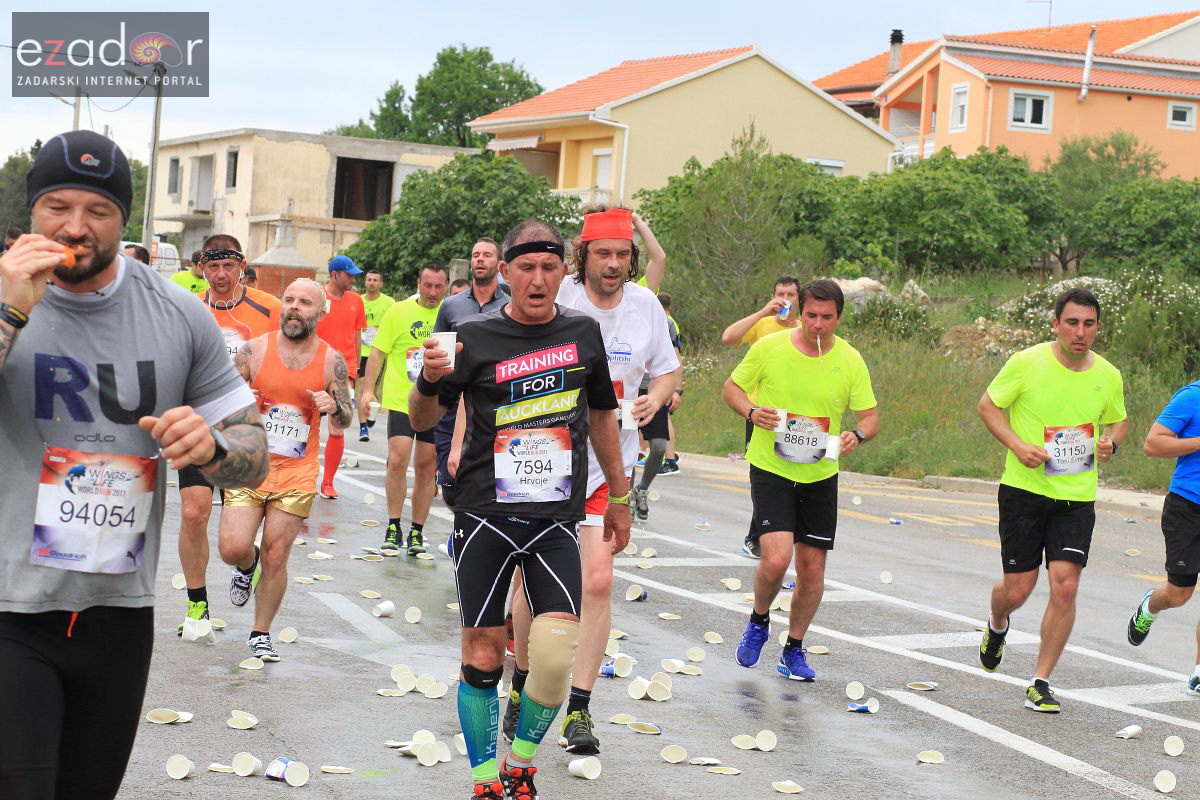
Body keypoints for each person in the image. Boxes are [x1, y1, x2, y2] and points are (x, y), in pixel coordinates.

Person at [0, 130, 268, 799]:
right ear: (31, 212)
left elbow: (254, 455)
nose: (75, 227)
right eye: (57, 207)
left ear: (124, 218)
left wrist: (210, 450)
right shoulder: (4, 296)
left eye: (97, 211)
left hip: (119, 613)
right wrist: (10, 312)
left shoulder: (178, 314)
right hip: (10, 610)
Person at [408, 219, 630, 800]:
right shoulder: (472, 338)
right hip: (485, 513)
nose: (537, 279)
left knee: (555, 654)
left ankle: (522, 763)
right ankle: (485, 779)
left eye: (549, 267)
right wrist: (429, 381)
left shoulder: (584, 333)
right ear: (505, 273)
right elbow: (423, 420)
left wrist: (621, 494)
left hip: (556, 516)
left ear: (564, 273)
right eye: (525, 268)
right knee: (482, 653)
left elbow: (603, 417)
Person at [505, 206, 678, 754]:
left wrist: (659, 393)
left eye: (623, 255)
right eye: (603, 253)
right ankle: (522, 685)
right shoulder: (561, 298)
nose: (614, 264)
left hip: (609, 464)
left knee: (597, 582)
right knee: (533, 583)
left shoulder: (646, 305)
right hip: (546, 461)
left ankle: (578, 708)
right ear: (583, 256)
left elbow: (669, 366)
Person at [977, 287, 1127, 713]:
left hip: (1076, 496)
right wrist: (1018, 446)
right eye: (1072, 322)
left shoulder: (1108, 375)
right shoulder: (1026, 363)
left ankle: (1040, 680)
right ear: (1056, 324)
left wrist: (1110, 444)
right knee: (1018, 589)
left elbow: (1119, 422)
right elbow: (988, 406)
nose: (1080, 332)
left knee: (1066, 584)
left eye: (1089, 324)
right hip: (1024, 491)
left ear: (1098, 328)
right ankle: (997, 622)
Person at [723, 279, 878, 683]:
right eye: (811, 315)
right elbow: (732, 389)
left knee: (812, 570)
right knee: (776, 559)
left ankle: (793, 648)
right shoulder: (770, 348)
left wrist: (856, 435)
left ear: (838, 318)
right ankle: (758, 620)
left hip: (820, 474)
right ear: (799, 313)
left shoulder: (850, 359)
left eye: (827, 318)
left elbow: (870, 418)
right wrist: (752, 412)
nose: (818, 325)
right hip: (773, 467)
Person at [219, 278, 353, 661]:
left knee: (277, 555)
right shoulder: (253, 351)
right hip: (250, 465)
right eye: (289, 300)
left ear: (320, 313)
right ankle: (246, 565)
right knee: (232, 548)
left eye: (305, 303)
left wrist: (334, 407)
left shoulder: (332, 361)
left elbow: (343, 422)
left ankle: (260, 632)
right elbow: (220, 403)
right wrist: (243, 400)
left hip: (297, 472)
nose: (294, 307)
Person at [172, 235, 281, 637]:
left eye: (228, 267)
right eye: (212, 267)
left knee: (235, 540)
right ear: (202, 267)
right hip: (197, 426)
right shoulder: (186, 307)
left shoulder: (268, 308)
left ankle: (247, 563)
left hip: (245, 431)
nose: (220, 275)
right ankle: (197, 605)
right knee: (193, 512)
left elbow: (287, 354)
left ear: (241, 265)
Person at [358, 263, 447, 556]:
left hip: (436, 402)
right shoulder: (398, 312)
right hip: (401, 399)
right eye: (427, 285)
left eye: (438, 286)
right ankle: (393, 525)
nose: (433, 292)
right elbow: (378, 352)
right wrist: (368, 389)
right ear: (418, 284)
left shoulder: (450, 313)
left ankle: (417, 532)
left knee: (426, 466)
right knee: (397, 460)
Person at [1127, 379, 1200, 694]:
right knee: (1179, 593)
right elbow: (1153, 444)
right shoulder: (1192, 397)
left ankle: (1198, 671)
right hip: (1187, 506)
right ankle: (1150, 605)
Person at [722, 276, 802, 559]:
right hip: (760, 412)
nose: (785, 298)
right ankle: (756, 536)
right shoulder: (762, 323)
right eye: (780, 293)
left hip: (795, 414)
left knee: (793, 472)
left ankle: (784, 532)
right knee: (764, 475)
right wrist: (762, 312)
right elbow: (728, 338)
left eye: (790, 294)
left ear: (798, 299)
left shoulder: (804, 329)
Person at [432, 237, 509, 511]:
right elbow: (439, 352)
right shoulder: (451, 306)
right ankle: (462, 528)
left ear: (499, 264)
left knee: (488, 479)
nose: (479, 259)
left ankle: (473, 536)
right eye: (476, 254)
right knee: (450, 483)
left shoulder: (511, 304)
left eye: (487, 255)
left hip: (493, 403)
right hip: (453, 404)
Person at [314, 255, 366, 499]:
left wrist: (355, 371)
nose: (353, 279)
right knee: (308, 424)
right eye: (349, 274)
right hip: (314, 367)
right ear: (334, 274)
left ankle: (327, 483)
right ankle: (304, 476)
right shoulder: (317, 298)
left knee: (338, 426)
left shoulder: (356, 301)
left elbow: (357, 338)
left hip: (343, 373)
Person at [357, 268, 396, 442]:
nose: (371, 282)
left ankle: (370, 413)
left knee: (374, 390)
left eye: (375, 280)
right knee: (364, 386)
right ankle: (363, 426)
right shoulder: (359, 301)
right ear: (365, 282)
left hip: (378, 353)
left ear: (381, 283)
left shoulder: (389, 303)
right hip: (361, 352)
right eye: (369, 279)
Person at [657, 291, 684, 476]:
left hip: (663, 381)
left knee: (664, 419)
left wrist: (677, 389)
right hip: (656, 380)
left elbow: (676, 357)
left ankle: (671, 460)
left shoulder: (667, 324)